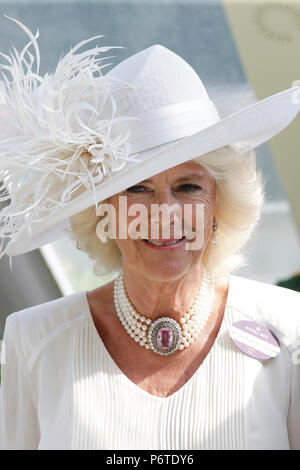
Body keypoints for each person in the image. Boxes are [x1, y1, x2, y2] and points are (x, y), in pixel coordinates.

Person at [0, 18, 300, 450]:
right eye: (137, 189)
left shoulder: (290, 326)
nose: (165, 214)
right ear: (102, 210)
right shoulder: (35, 339)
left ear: (219, 205)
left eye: (188, 187)